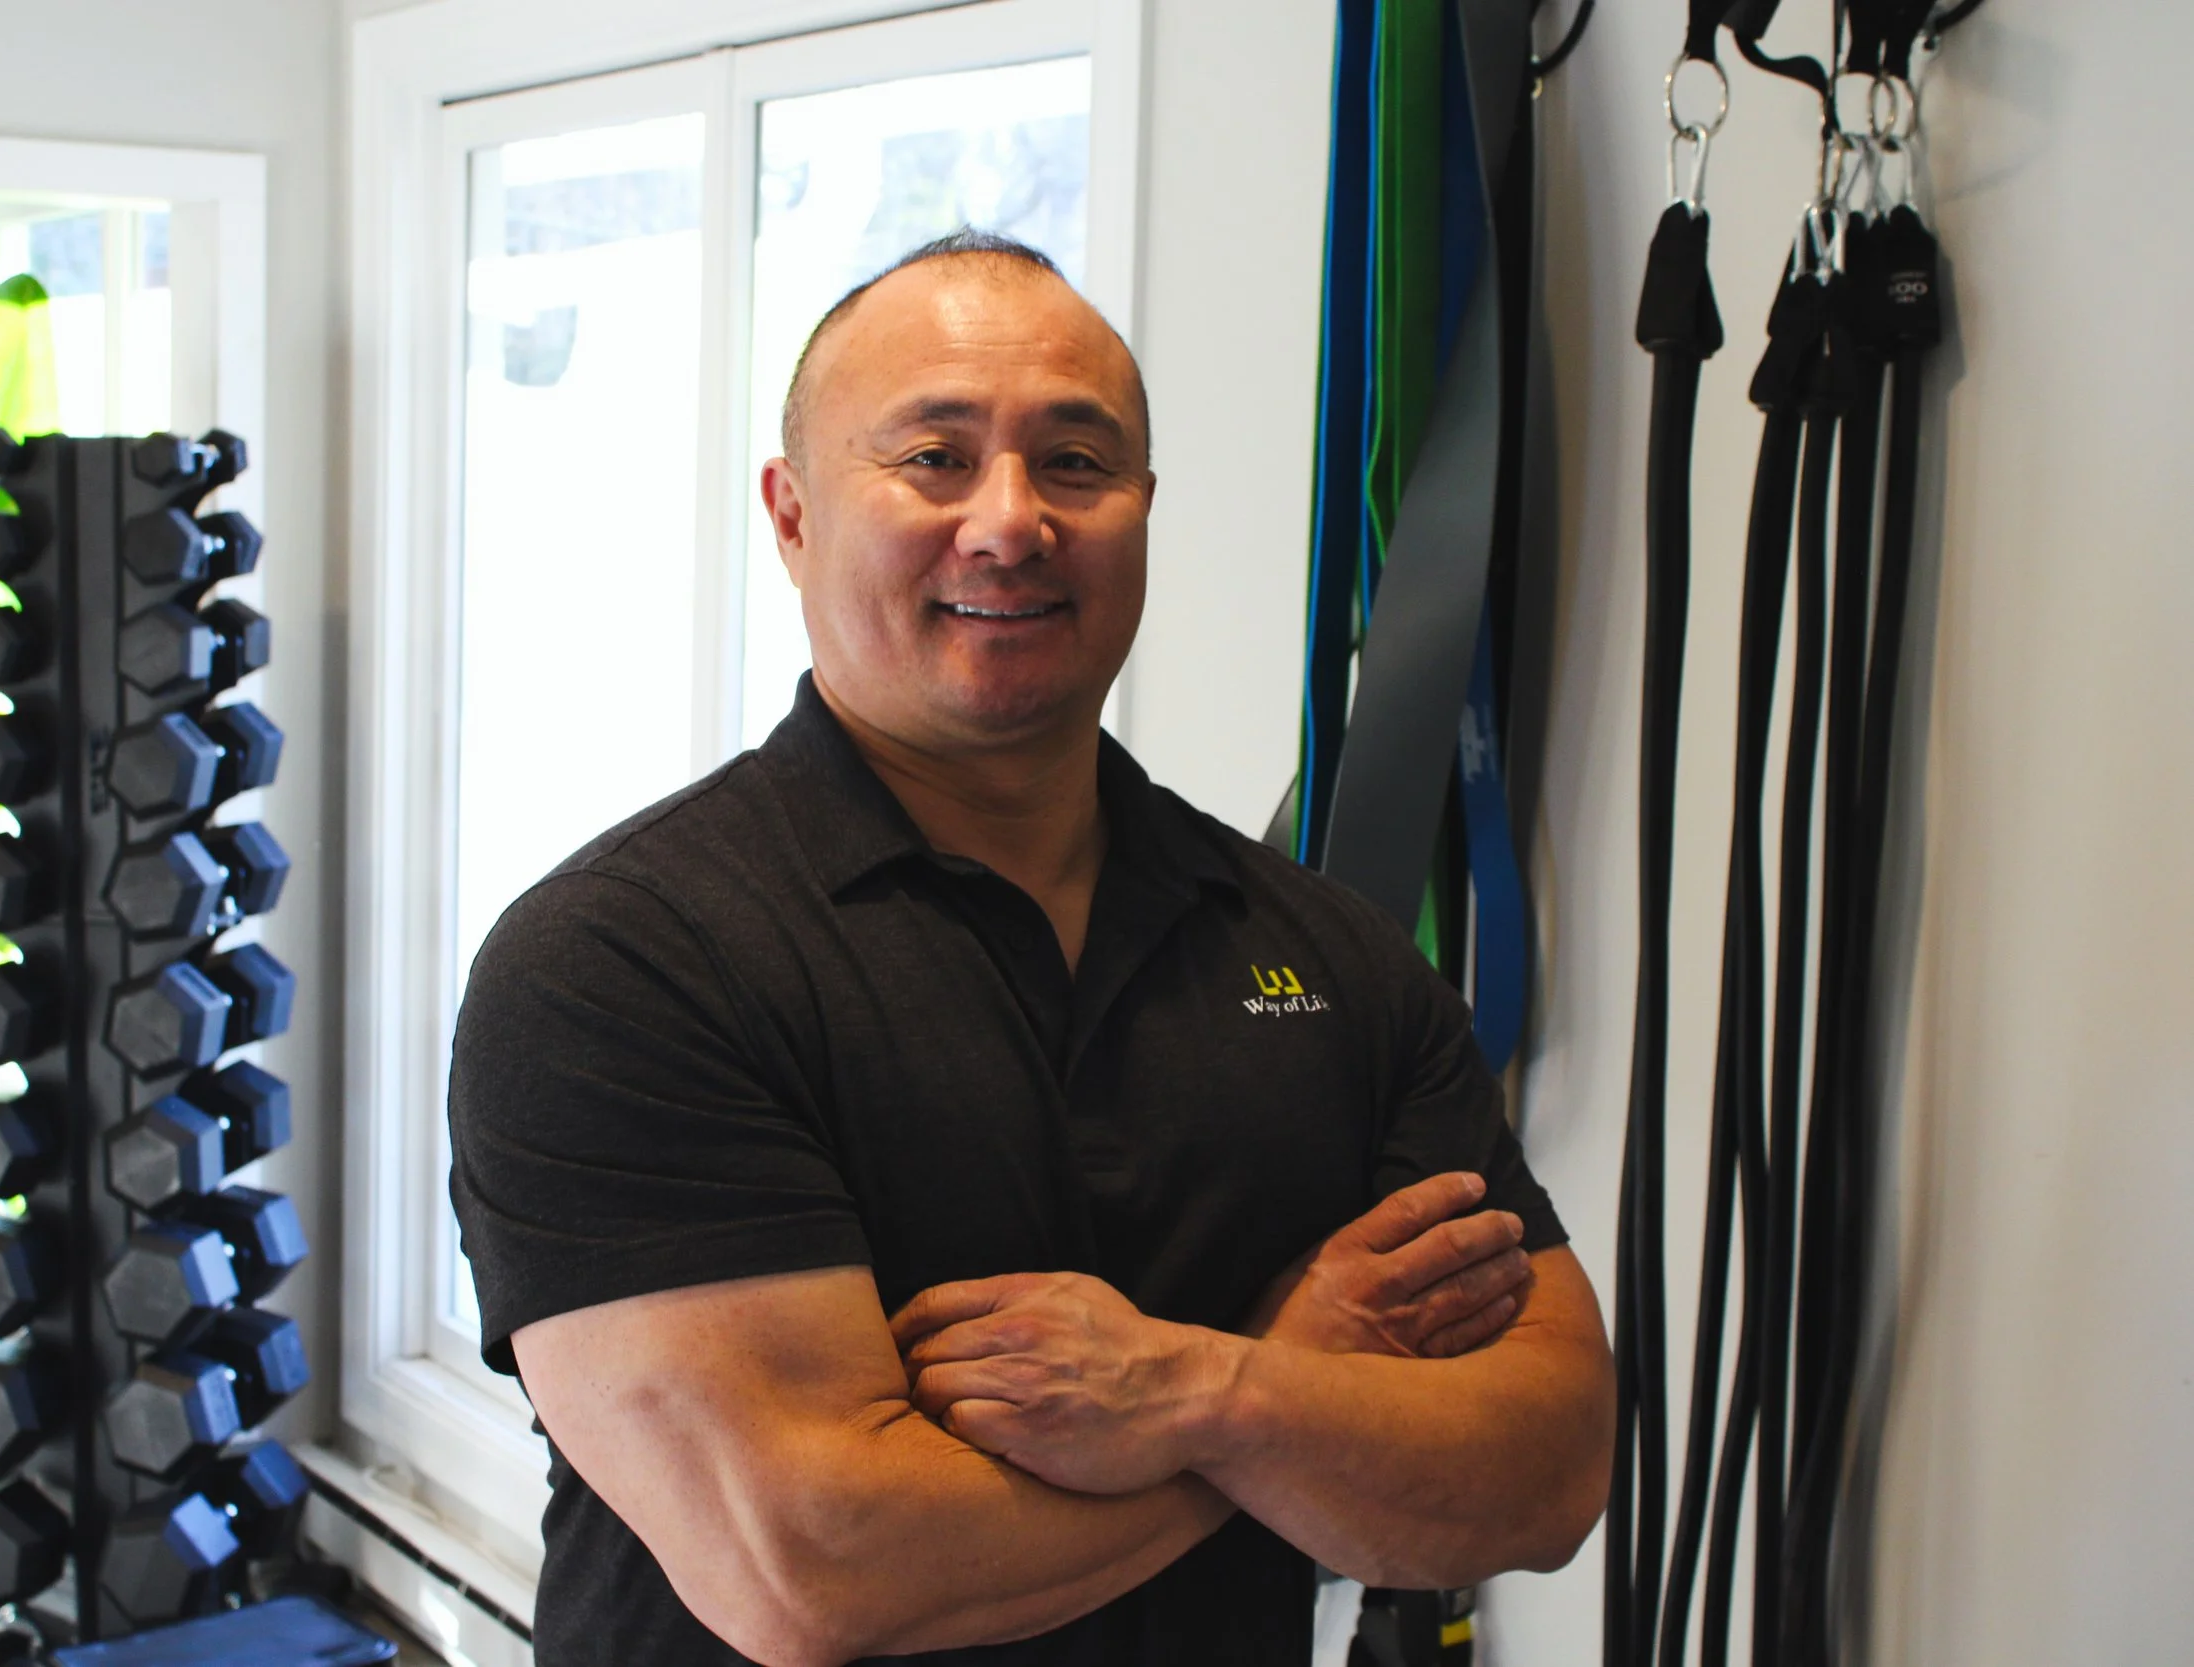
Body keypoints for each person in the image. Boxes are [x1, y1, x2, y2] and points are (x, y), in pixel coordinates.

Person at [448, 230, 1613, 1667]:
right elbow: (816, 1562)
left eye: (1075, 462)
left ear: (1141, 509)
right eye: (934, 458)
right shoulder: (624, 963)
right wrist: (1301, 1388)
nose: (1009, 521)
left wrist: (1201, 1393)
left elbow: (1550, 1464)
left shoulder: (1326, 957)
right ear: (795, 515)